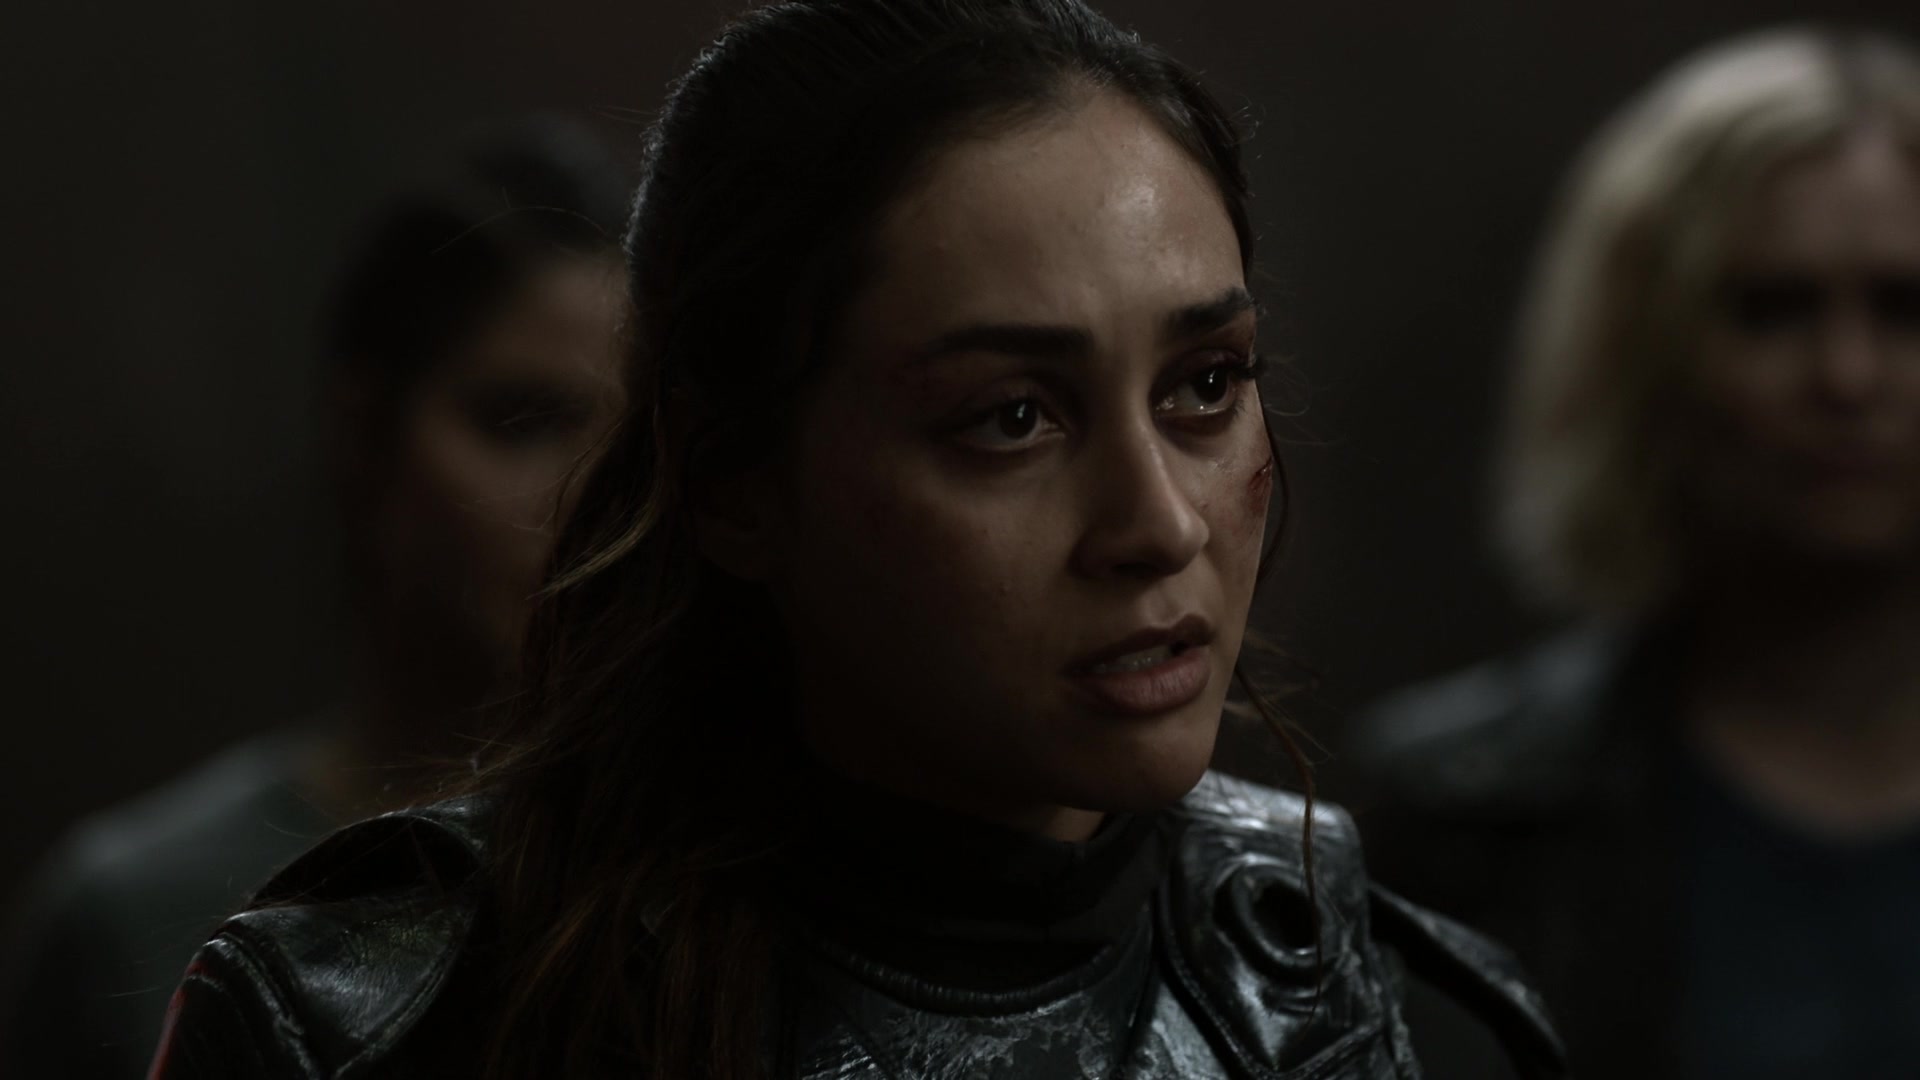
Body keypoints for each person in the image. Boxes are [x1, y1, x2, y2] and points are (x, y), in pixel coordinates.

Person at [148, 3, 1568, 1077]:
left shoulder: (1396, 1022)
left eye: (1204, 385)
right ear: (733, 480)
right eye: (1011, 417)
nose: (1158, 522)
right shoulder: (370, 1032)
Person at [0, 118, 629, 1079]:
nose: (593, 500)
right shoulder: (130, 914)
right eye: (522, 421)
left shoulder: (708, 888)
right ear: (365, 434)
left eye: (633, 446)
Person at [1350, 28, 1920, 1080]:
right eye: (1772, 309)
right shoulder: (1468, 814)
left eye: (1904, 307)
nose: (1848, 375)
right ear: (1644, 350)